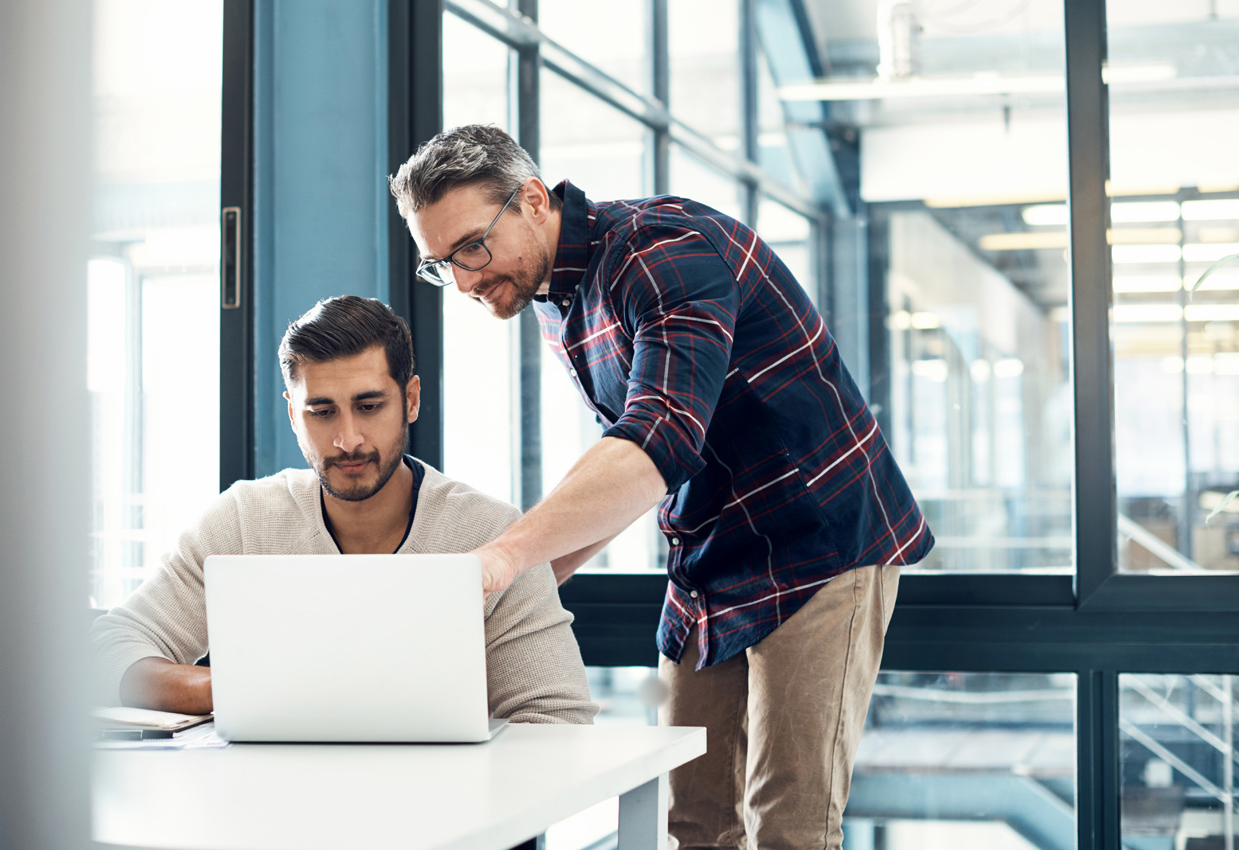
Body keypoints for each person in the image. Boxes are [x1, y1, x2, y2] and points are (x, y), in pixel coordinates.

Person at [391, 125, 935, 849]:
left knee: (789, 827)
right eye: (442, 265)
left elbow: (661, 438)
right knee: (692, 822)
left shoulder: (662, 251)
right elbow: (631, 469)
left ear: (533, 201)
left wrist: (505, 554)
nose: (463, 281)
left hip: (817, 540)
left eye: (472, 248)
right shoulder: (554, 294)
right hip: (710, 554)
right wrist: (520, 589)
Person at [90, 295, 596, 725]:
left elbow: (558, 719)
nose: (347, 439)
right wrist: (230, 690)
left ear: (411, 400)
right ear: (294, 413)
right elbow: (109, 650)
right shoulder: (245, 520)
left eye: (369, 406)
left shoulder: (491, 533)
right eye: (322, 411)